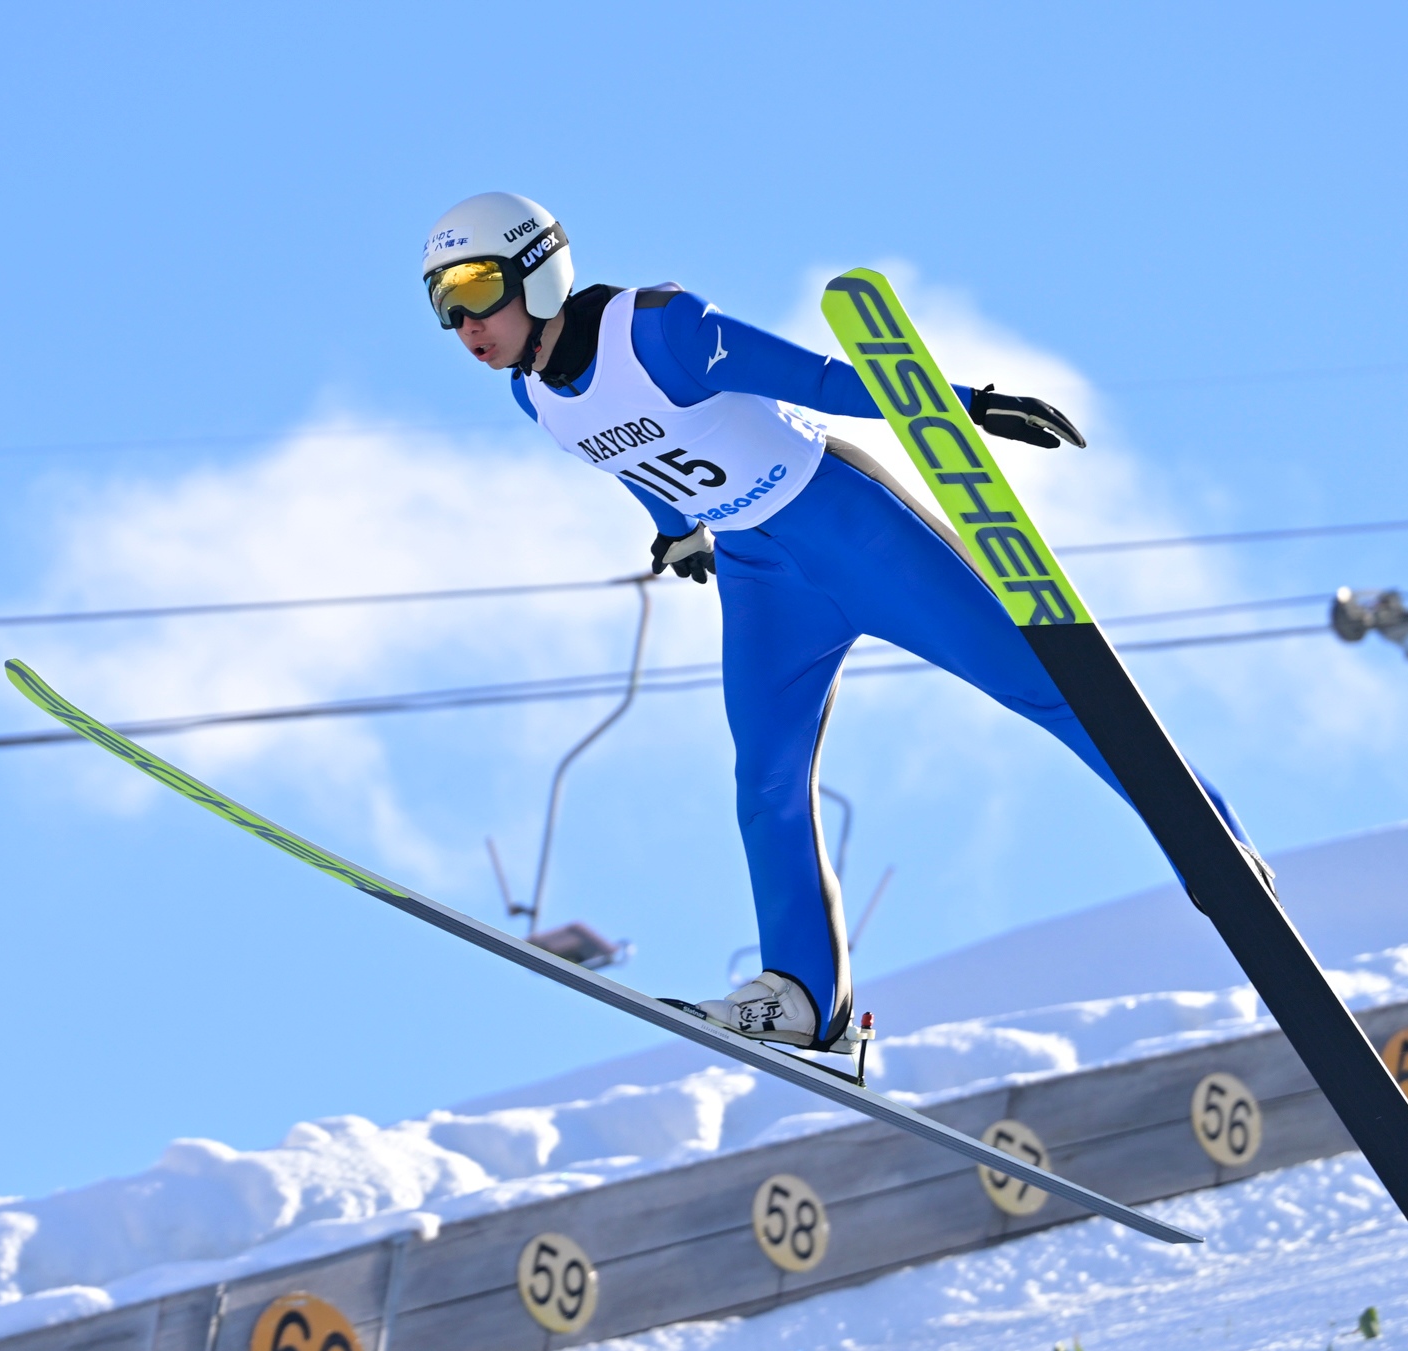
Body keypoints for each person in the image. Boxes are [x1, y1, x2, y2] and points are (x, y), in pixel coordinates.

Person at [421, 191, 1256, 1055]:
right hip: (761, 576)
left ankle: (1212, 847)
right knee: (765, 780)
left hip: (848, 525)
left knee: (1046, 689)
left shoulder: (659, 330)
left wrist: (968, 403)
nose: (465, 324)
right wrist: (677, 532)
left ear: (539, 270)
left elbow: (818, 378)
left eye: (478, 290)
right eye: (445, 304)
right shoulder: (534, 397)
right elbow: (627, 456)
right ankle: (801, 993)